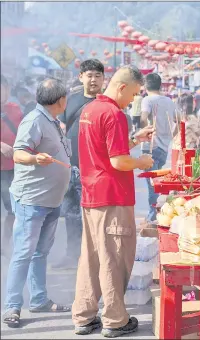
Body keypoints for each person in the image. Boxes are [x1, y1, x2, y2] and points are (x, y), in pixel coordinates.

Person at [72, 66, 155, 338]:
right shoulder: (114, 114)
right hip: (112, 196)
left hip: (92, 194)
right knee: (114, 257)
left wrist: (133, 139)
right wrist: (141, 161)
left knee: (92, 256)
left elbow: (104, 149)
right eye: (132, 94)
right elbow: (118, 161)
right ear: (121, 87)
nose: (132, 101)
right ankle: (115, 319)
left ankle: (84, 315)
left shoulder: (91, 110)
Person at [3, 78, 71, 327]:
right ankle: (12, 305)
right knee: (24, 252)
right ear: (61, 100)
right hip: (32, 199)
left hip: (51, 198)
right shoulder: (33, 120)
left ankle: (39, 299)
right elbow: (19, 152)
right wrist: (34, 159)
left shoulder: (51, 120)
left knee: (41, 251)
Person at [55, 59, 105, 269]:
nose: (93, 80)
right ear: (81, 77)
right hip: (72, 166)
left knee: (96, 214)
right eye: (89, 75)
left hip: (97, 169)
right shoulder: (70, 101)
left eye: (97, 76)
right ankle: (72, 253)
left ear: (103, 79)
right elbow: (60, 130)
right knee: (72, 213)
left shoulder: (108, 103)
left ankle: (94, 255)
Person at [139, 73, 176, 224]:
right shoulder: (169, 101)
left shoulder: (147, 100)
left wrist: (143, 132)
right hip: (163, 147)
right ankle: (158, 213)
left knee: (151, 184)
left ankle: (153, 216)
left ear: (146, 86)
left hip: (150, 147)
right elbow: (178, 120)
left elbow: (143, 118)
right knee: (157, 182)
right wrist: (170, 137)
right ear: (160, 85)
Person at [1, 75, 23, 254]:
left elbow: (24, 133)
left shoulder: (15, 109)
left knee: (12, 209)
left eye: (4, 88)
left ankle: (5, 245)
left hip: (11, 169)